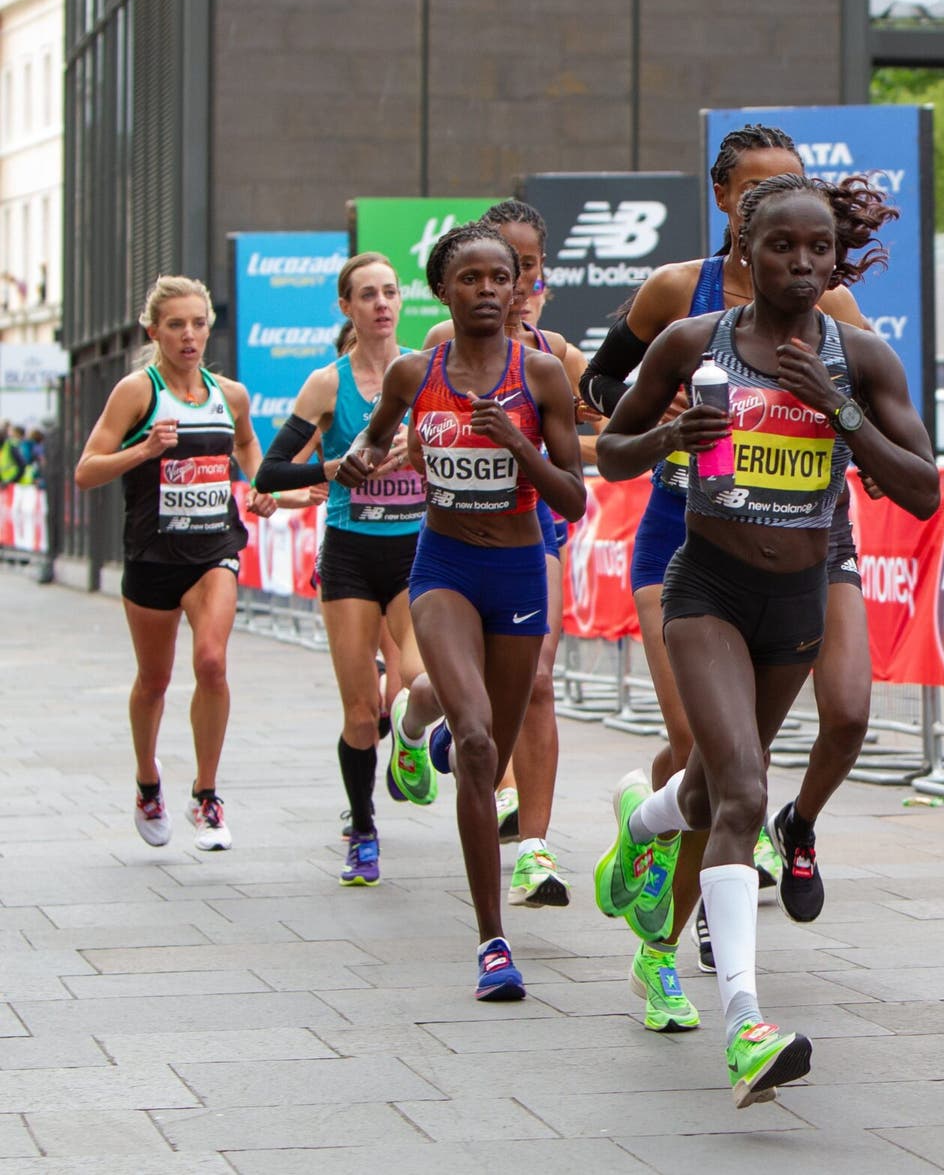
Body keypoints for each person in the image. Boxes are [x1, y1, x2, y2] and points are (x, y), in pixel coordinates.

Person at [594, 172, 938, 1106]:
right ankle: (746, 1019)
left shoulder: (859, 358)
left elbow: (922, 488)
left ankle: (643, 824)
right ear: (745, 251)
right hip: (706, 588)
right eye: (781, 246)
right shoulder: (690, 343)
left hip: (797, 601)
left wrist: (842, 412)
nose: (801, 263)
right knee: (745, 789)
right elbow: (607, 452)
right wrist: (669, 436)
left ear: (836, 259)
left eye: (818, 248)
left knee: (709, 787)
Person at [339, 221, 586, 1000]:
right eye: (469, 278)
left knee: (491, 740)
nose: (486, 290)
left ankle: (433, 734)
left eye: (499, 278)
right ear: (444, 292)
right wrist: (360, 458)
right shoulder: (417, 373)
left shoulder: (541, 375)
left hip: (517, 567)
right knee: (479, 745)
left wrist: (518, 444)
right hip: (443, 566)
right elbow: (374, 442)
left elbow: (573, 498)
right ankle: (492, 942)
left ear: (518, 288)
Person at [422, 198, 596, 908]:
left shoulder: (558, 358)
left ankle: (534, 844)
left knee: (541, 680)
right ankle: (433, 726)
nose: (510, 284)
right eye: (497, 269)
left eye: (524, 268)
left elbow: (599, 448)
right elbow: (416, 432)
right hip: (456, 534)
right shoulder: (439, 345)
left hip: (536, 530)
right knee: (465, 702)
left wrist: (525, 441)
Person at [74, 276, 282, 851]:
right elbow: (87, 469)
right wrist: (143, 449)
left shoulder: (230, 394)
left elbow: (245, 445)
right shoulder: (136, 392)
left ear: (209, 327)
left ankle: (207, 795)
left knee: (212, 662)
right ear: (154, 331)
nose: (188, 336)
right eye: (175, 325)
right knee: (155, 680)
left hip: (213, 549)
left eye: (197, 324)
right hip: (151, 556)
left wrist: (259, 484)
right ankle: (147, 781)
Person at [253, 252, 433, 888]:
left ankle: (408, 742)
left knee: (415, 680)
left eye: (389, 292)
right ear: (347, 309)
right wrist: (329, 470)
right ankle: (362, 830)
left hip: (417, 549)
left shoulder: (427, 371)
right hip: (352, 552)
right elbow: (269, 473)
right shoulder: (327, 385)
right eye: (367, 295)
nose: (382, 304)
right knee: (361, 715)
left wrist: (427, 446)